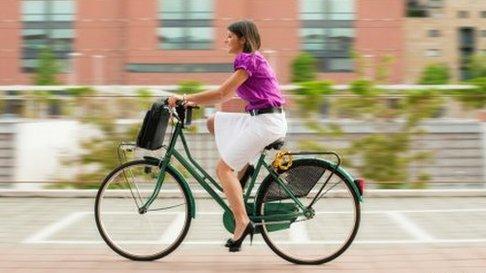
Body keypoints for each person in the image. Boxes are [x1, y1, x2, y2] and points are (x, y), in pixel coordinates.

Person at [168, 20, 287, 252]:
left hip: (266, 123)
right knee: (213, 122)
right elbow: (224, 98)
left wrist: (185, 98)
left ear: (243, 38)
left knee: (222, 169)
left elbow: (222, 93)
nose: (225, 40)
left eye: (230, 36)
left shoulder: (248, 59)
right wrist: (193, 102)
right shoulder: (247, 60)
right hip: (260, 118)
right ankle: (242, 170)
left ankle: (242, 221)